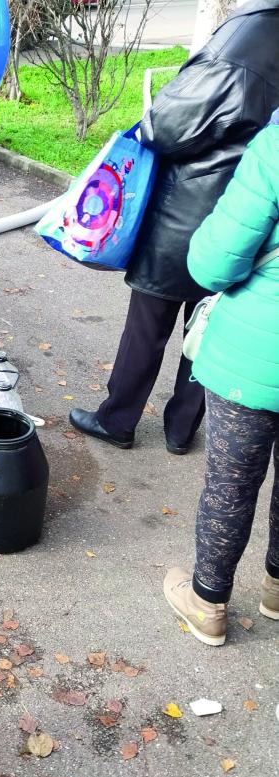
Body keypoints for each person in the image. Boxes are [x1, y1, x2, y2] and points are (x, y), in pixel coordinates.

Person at [70, 0, 279, 454]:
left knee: (148, 324)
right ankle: (181, 429)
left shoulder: (246, 38)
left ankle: (117, 420)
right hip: (247, 213)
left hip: (187, 208)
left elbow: (165, 126)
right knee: (208, 321)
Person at [163, 111, 279, 646]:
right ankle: (276, 588)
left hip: (255, 352)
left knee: (231, 484)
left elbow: (212, 264)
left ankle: (208, 602)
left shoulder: (275, 148)